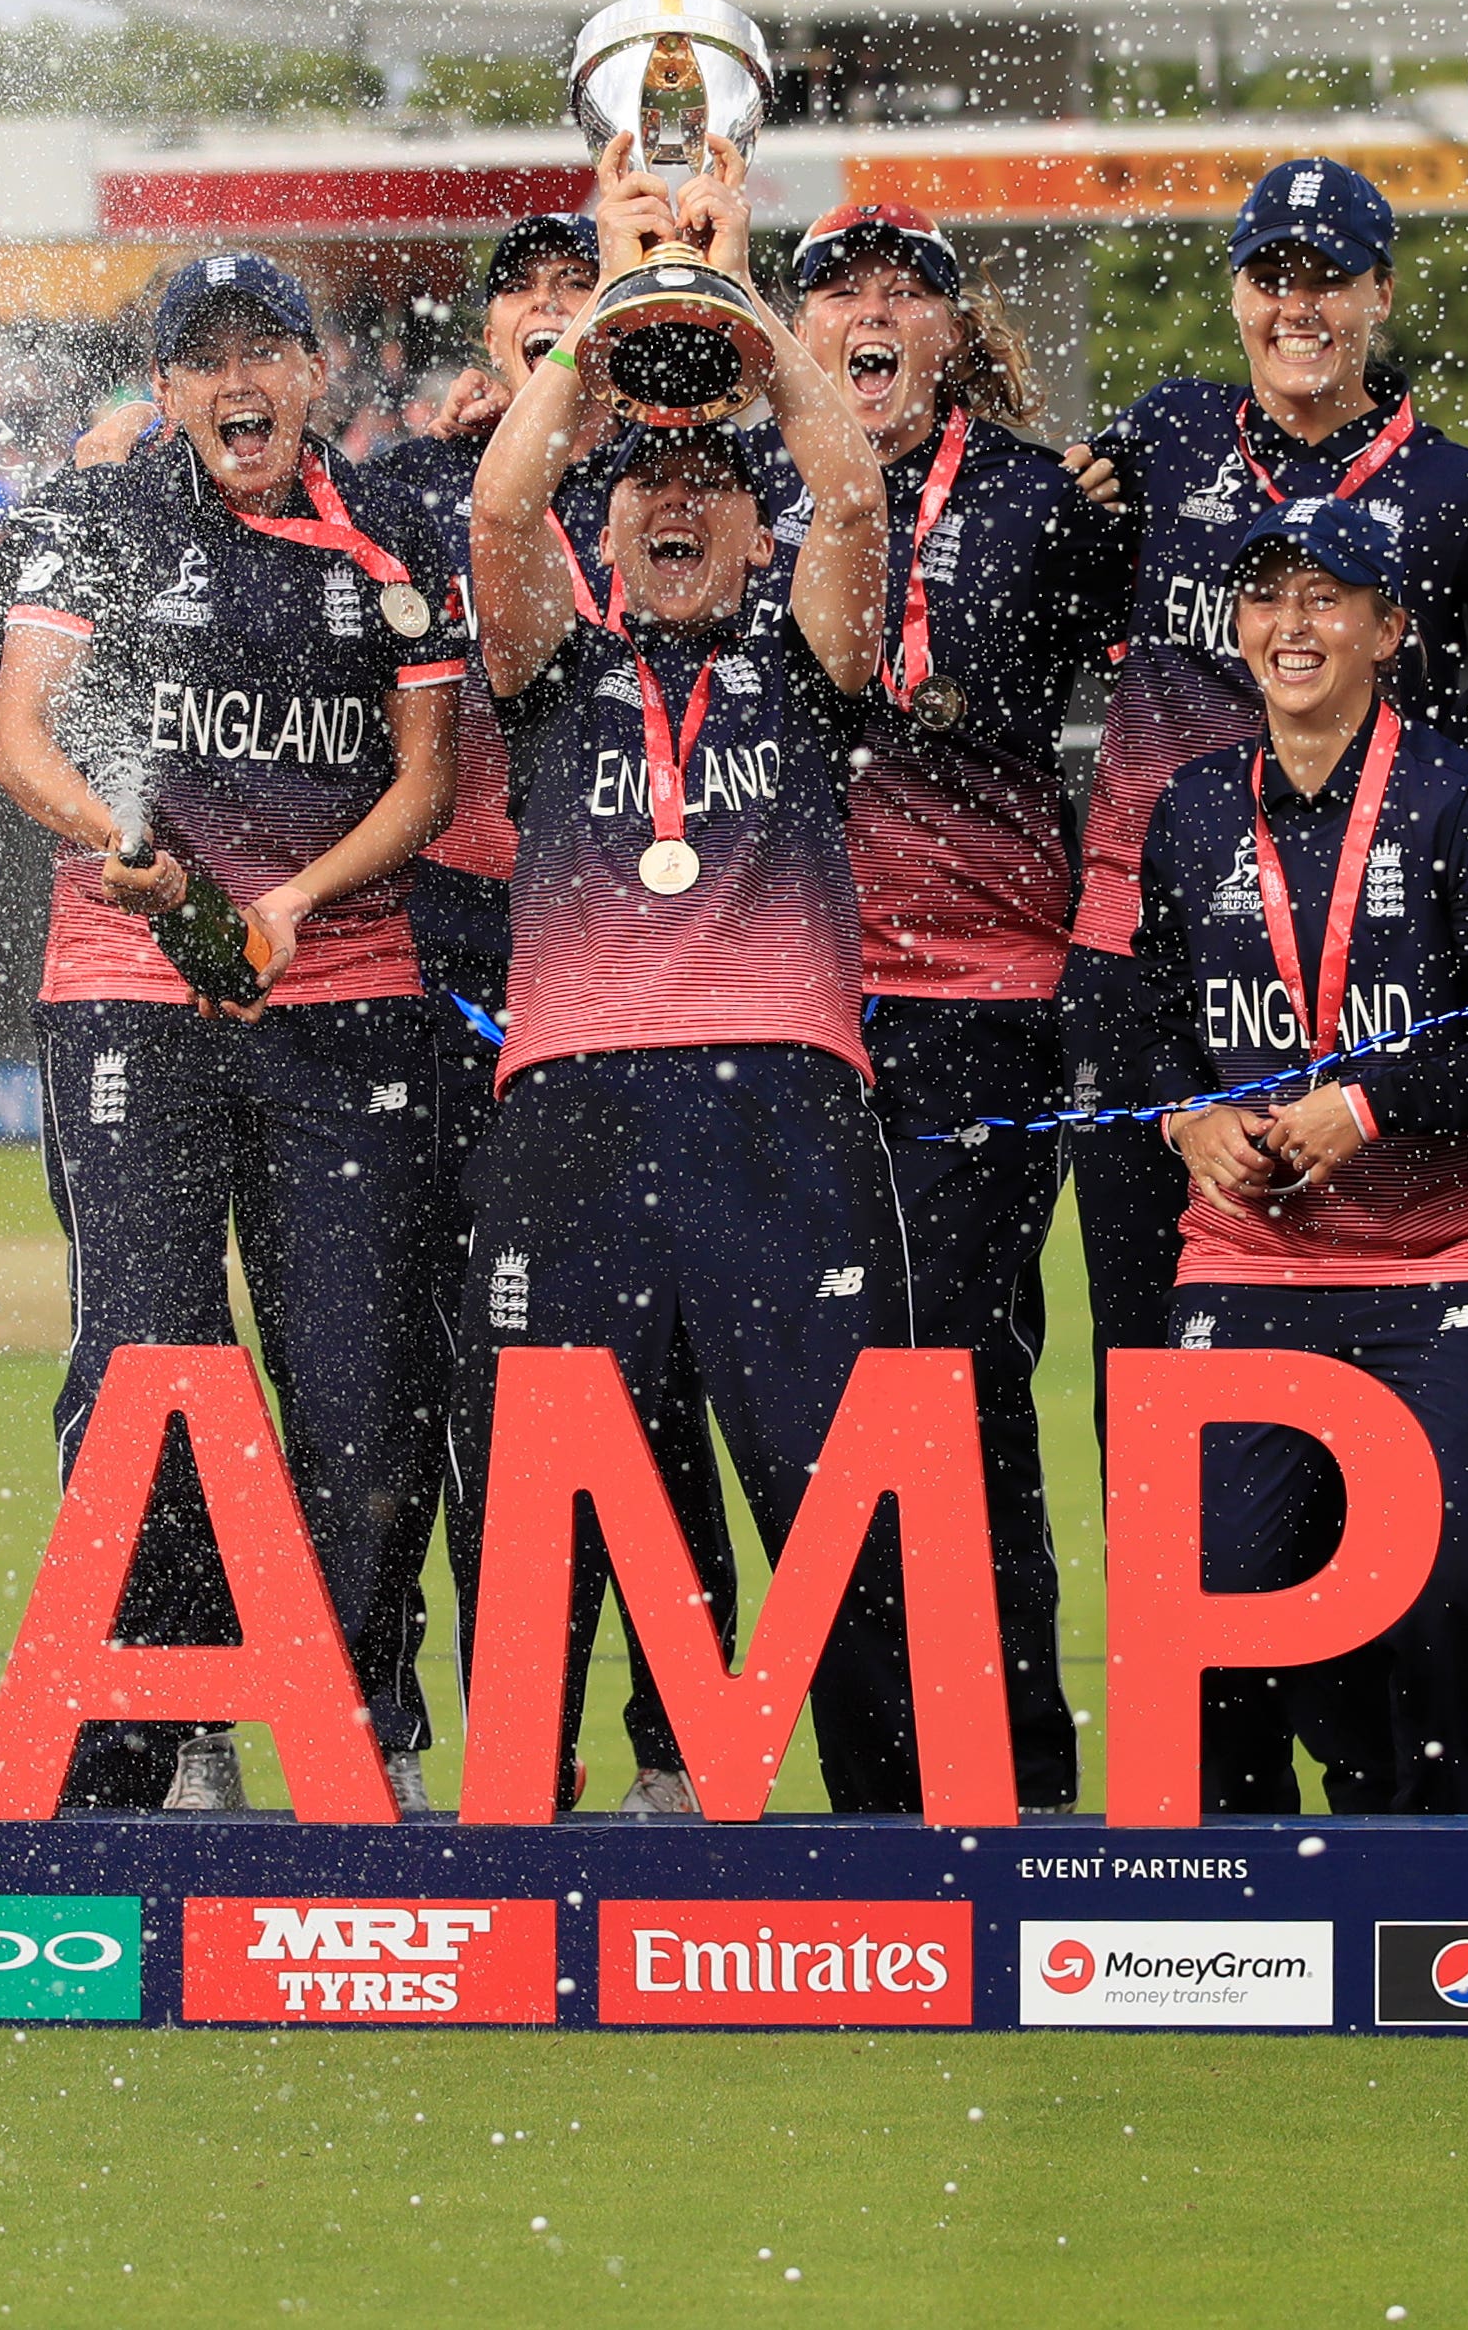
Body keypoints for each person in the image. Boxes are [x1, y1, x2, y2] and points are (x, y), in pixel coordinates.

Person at [0, 251, 466, 1813]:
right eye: (203, 361)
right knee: (148, 1360)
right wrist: (117, 842)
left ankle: (363, 1732)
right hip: (136, 986)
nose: (236, 384)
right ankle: (157, 1726)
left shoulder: (390, 529)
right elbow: (21, 735)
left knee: (356, 1372)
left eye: (265, 351)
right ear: (167, 391)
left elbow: (424, 782)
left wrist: (298, 897)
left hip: (341, 993)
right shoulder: (98, 513)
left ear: (313, 373)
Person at [456, 248, 930, 1816]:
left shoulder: (803, 672)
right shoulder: (552, 674)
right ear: (604, 529)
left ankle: (895, 1832)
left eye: (712, 487)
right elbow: (492, 513)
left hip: (776, 1110)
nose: (677, 505)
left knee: (828, 1474)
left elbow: (853, 504)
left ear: (752, 524)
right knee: (536, 1484)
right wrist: (588, 351)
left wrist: (762, 345)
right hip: (568, 1115)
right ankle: (529, 1822)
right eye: (645, 486)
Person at [1058, 158, 1468, 1412]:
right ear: (1234, 294)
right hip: (1147, 944)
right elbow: (1010, 531)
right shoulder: (1163, 439)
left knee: (1378, 1332)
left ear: (1380, 291)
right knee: (1148, 1356)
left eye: (1328, 276)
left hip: (1380, 948)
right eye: (1269, 275)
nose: (1297, 305)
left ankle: (1393, 1590)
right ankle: (1185, 1612)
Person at [352, 204, 741, 1817]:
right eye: (516, 288)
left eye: (570, 285)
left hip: (632, 946)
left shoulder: (677, 473)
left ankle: (673, 1734)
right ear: (482, 336)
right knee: (471, 1355)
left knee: (659, 1351)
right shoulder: (416, 486)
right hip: (450, 942)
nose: (541, 304)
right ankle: (477, 1728)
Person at [1132, 497, 1468, 1813]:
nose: (1291, 623)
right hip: (1250, 1255)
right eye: (1266, 596)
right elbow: (1140, 1004)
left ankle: (1444, 1870)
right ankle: (1249, 1889)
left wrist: (1367, 1106)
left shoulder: (1460, 803)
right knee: (1214, 1589)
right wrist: (1183, 1114)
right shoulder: (1195, 805)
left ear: (1387, 627)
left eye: (1326, 597)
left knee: (1441, 1586)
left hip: (1443, 1253)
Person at [780, 198, 1125, 1811]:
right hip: (783, 998)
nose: (867, 314)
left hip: (980, 996)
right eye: (834, 291)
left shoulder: (1048, 504)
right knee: (828, 1389)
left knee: (957, 1372)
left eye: (897, 292)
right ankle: (871, 1779)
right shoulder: (737, 485)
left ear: (945, 328)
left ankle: (1016, 1767)